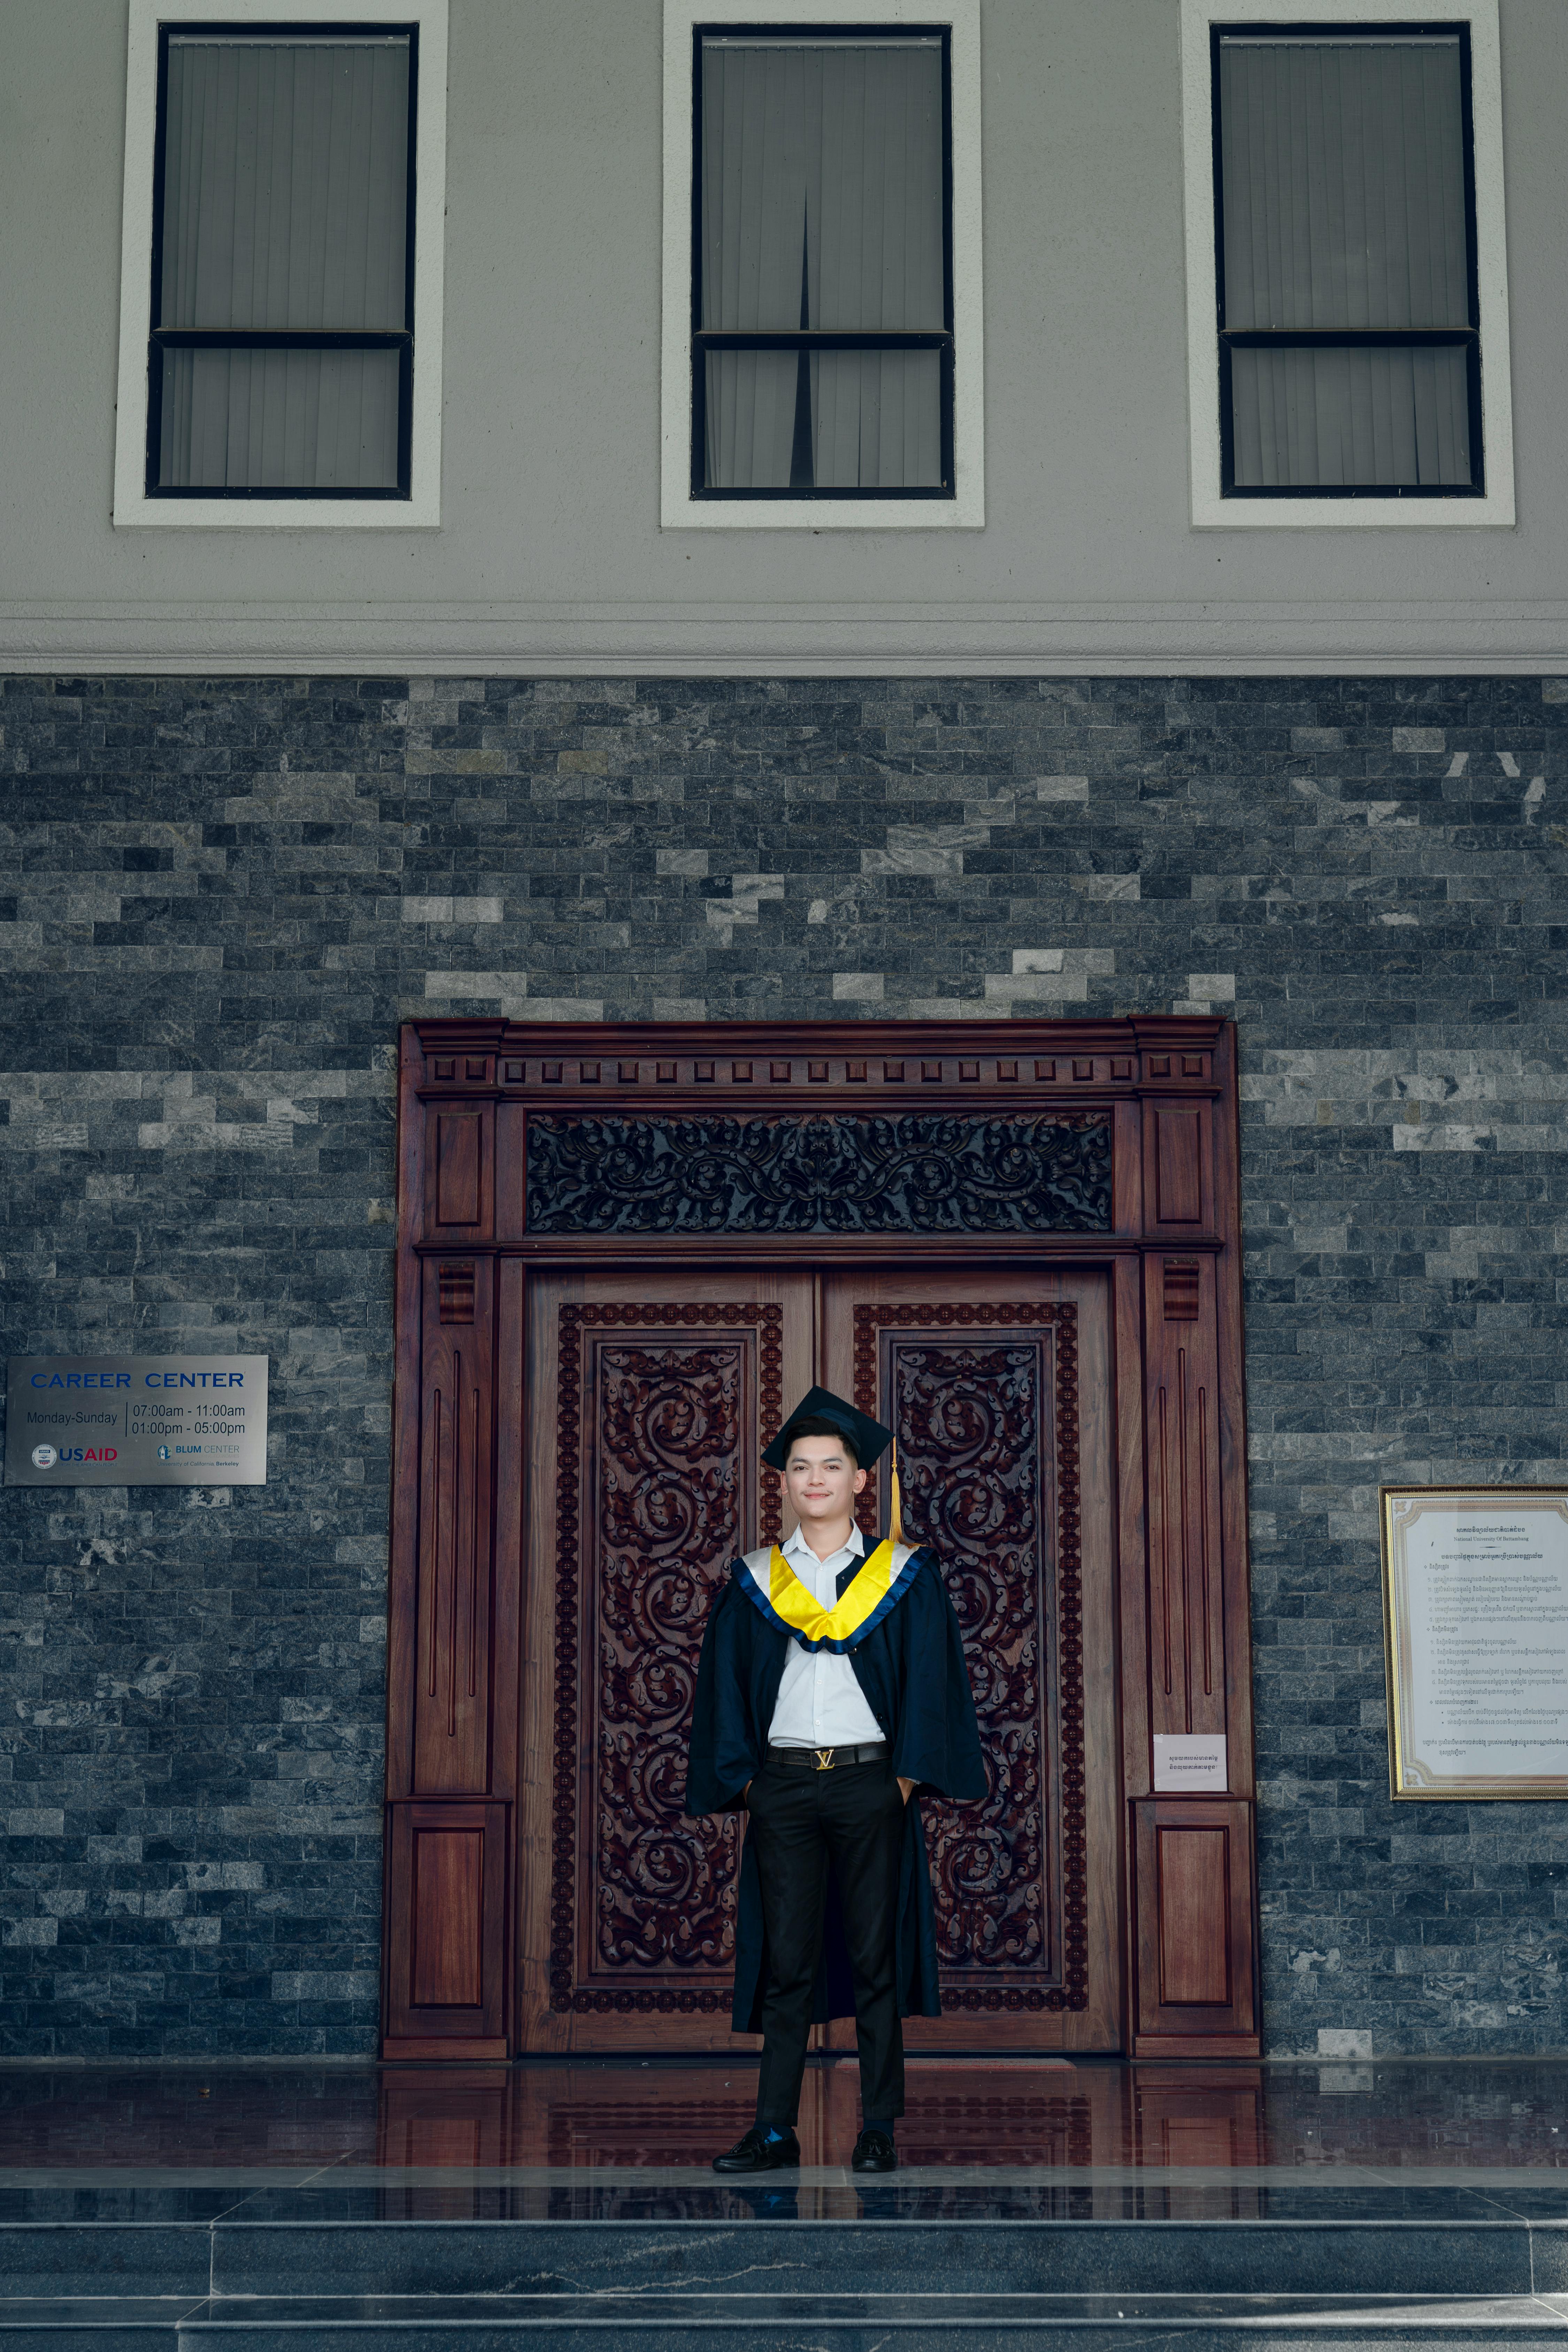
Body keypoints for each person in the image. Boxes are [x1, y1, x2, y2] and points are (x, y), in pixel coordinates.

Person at [685, 1385, 986, 2177]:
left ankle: (878, 2126)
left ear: (860, 1480)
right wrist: (749, 1786)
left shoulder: (905, 1578)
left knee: (875, 1955)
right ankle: (774, 2129)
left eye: (831, 1465)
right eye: (800, 1466)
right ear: (782, 1482)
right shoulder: (753, 1583)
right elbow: (723, 1694)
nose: (814, 1478)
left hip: (868, 1784)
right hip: (781, 1788)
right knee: (786, 1961)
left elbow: (930, 1685)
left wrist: (903, 1784)